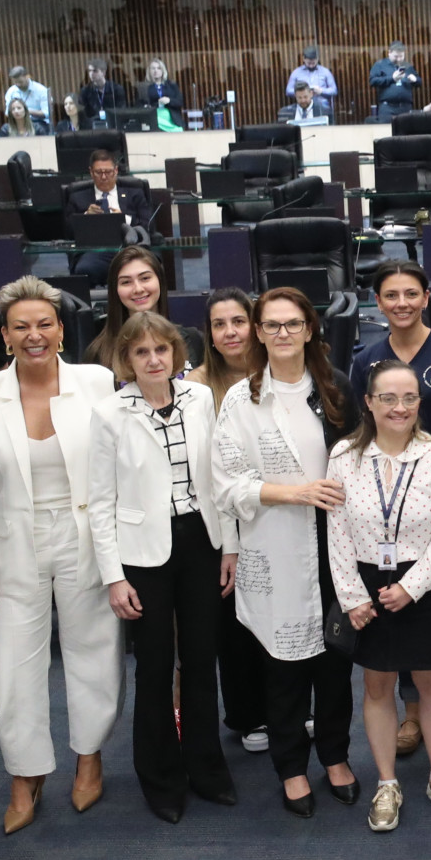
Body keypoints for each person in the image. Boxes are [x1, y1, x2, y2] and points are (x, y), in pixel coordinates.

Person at [0, 277, 122, 835]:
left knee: (94, 651)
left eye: (44, 324)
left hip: (85, 539)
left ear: (60, 330)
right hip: (11, 546)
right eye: (21, 326)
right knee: (12, 661)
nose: (34, 335)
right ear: (5, 336)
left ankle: (89, 757)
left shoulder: (96, 382)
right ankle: (24, 774)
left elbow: (113, 469)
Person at [212, 289, 360, 817]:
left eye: (292, 323)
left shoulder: (335, 386)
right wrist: (295, 493)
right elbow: (227, 485)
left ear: (310, 328)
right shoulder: (241, 400)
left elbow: (360, 460)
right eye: (271, 325)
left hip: (334, 544)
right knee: (283, 667)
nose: (282, 334)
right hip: (273, 544)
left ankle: (336, 758)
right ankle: (292, 768)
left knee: (335, 661)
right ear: (257, 331)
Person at [88, 312, 238, 824]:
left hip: (201, 539)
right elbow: (100, 500)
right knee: (154, 666)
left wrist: (230, 547)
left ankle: (206, 768)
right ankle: (161, 779)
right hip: (141, 551)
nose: (154, 360)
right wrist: (114, 576)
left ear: (176, 353)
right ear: (126, 360)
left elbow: (219, 478)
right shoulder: (109, 413)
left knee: (200, 659)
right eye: (141, 352)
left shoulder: (200, 399)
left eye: (162, 350)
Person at [328, 358, 431, 831]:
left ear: (420, 401)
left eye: (409, 398)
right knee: (377, 686)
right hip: (367, 584)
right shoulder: (344, 456)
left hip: (427, 582)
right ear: (368, 403)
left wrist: (412, 588)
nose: (399, 407)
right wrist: (352, 596)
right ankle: (387, 783)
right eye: (387, 398)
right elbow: (336, 530)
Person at [348, 261, 431, 758]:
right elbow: (364, 430)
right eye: (391, 295)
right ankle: (411, 712)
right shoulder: (367, 359)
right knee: (393, 604)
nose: (401, 303)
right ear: (377, 302)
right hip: (384, 508)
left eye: (410, 294)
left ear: (426, 298)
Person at [187, 289, 270, 753]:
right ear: (209, 334)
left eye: (238, 321)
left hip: (276, 508)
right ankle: (249, 714)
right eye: (219, 325)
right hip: (222, 520)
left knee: (283, 610)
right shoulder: (197, 386)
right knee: (234, 622)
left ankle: (291, 706)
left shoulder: (277, 371)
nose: (230, 332)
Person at [87, 247, 200, 376]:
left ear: (160, 281)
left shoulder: (193, 340)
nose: (138, 289)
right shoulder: (98, 353)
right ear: (115, 290)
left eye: (145, 278)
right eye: (126, 282)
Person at [69, 150, 154, 281]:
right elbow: (68, 232)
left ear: (116, 170)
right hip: (94, 251)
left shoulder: (135, 193)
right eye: (98, 172)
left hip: (129, 249)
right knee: (84, 269)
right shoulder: (78, 197)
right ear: (91, 172)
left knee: (142, 267)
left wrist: (123, 219)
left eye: (108, 172)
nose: (104, 177)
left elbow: (148, 225)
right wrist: (86, 216)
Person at [369, 42, 422, 120]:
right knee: (386, 127)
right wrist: (392, 78)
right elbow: (372, 81)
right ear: (389, 53)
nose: (399, 59)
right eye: (396, 56)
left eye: (401, 56)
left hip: (405, 107)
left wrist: (415, 80)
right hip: (387, 107)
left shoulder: (408, 66)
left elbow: (419, 82)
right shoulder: (380, 65)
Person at [285, 46, 338, 112]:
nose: (311, 65)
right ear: (304, 59)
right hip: (303, 105)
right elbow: (288, 91)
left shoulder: (325, 72)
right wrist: (303, 91)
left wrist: (321, 91)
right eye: (309, 63)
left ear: (317, 59)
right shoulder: (296, 72)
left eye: (313, 63)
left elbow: (334, 90)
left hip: (322, 106)